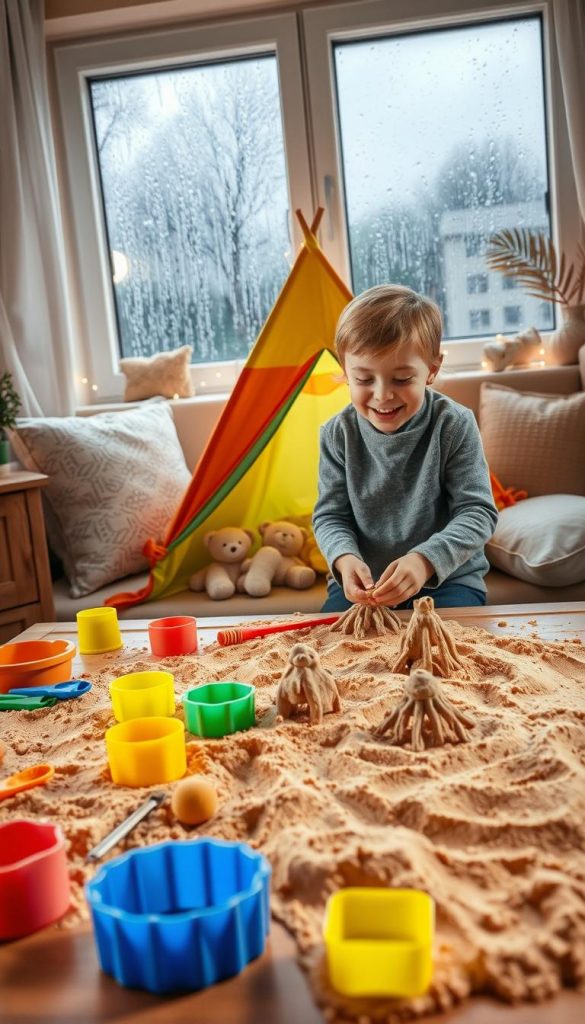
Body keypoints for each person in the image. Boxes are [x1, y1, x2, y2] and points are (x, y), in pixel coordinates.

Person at [313, 284, 498, 612]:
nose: (382, 395)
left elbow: (478, 513)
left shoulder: (454, 424)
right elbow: (330, 516)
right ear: (345, 373)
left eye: (401, 379)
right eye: (364, 380)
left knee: (445, 656)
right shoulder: (335, 434)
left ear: (432, 369)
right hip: (364, 588)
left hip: (448, 581)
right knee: (333, 658)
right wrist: (344, 559)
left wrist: (425, 561)